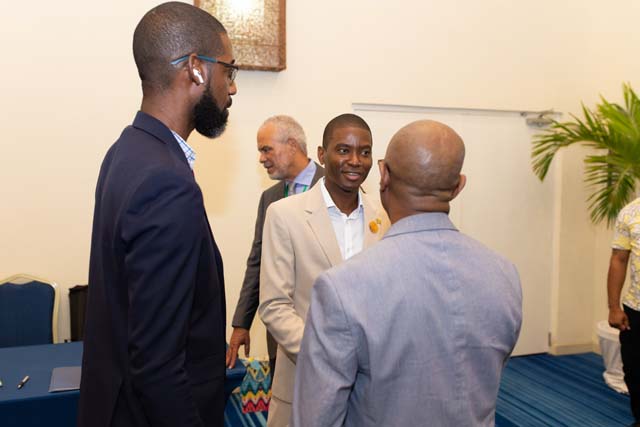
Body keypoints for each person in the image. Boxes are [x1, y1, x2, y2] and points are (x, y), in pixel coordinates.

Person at [292, 120, 523, 427]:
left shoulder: (342, 287)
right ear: (458, 186)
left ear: (384, 175)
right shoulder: (504, 275)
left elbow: (317, 416)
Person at [78, 3, 237, 426]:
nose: (233, 87)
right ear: (196, 69)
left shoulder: (126, 150)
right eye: (229, 70)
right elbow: (158, 367)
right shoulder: (167, 181)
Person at [258, 113, 389, 427]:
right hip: (305, 378)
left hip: (370, 387)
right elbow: (274, 305)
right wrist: (327, 353)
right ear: (321, 154)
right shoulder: (284, 214)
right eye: (343, 150)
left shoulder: (384, 216)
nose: (355, 161)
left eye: (365, 152)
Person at [226, 115, 324, 375]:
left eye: (266, 149)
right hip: (281, 341)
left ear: (292, 145)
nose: (261, 158)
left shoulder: (336, 186)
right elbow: (258, 261)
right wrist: (241, 323)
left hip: (327, 331)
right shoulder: (269, 198)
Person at [608, 198, 640, 426]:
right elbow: (618, 260)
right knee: (634, 370)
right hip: (636, 309)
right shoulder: (629, 213)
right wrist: (614, 307)